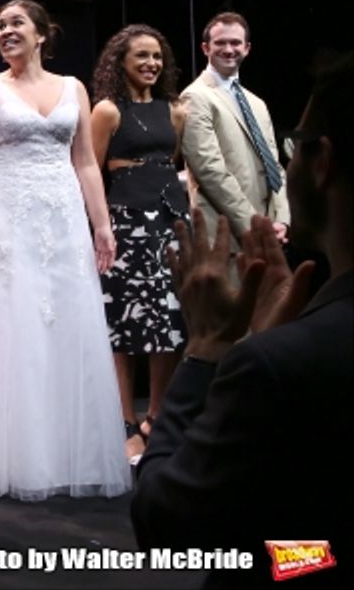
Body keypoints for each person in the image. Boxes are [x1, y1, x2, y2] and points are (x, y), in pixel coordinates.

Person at [132, 56, 352, 589]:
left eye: (296, 147)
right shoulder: (197, 98)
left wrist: (206, 350)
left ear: (321, 162)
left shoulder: (274, 366)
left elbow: (166, 524)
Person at [0, 0, 130, 501]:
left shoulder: (73, 88)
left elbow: (84, 163)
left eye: (16, 24)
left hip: (62, 223)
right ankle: (6, 456)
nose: (6, 32)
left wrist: (101, 225)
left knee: (63, 328)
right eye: (0, 26)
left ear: (41, 35)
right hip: (8, 219)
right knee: (12, 331)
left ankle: (61, 454)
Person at [89, 25, 189, 464]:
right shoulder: (108, 111)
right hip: (125, 224)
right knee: (123, 328)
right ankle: (126, 423)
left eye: (157, 56)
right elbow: (90, 172)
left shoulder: (175, 110)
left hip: (170, 220)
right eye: (141, 56)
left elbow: (177, 165)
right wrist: (97, 228)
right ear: (121, 62)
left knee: (168, 322)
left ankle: (157, 417)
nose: (151, 64)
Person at [181, 12, 289, 259]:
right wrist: (254, 226)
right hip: (227, 236)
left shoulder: (257, 103)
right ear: (205, 48)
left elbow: (275, 166)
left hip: (269, 234)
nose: (229, 49)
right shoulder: (195, 97)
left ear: (247, 48)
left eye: (235, 43)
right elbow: (209, 170)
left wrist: (281, 219)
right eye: (220, 43)